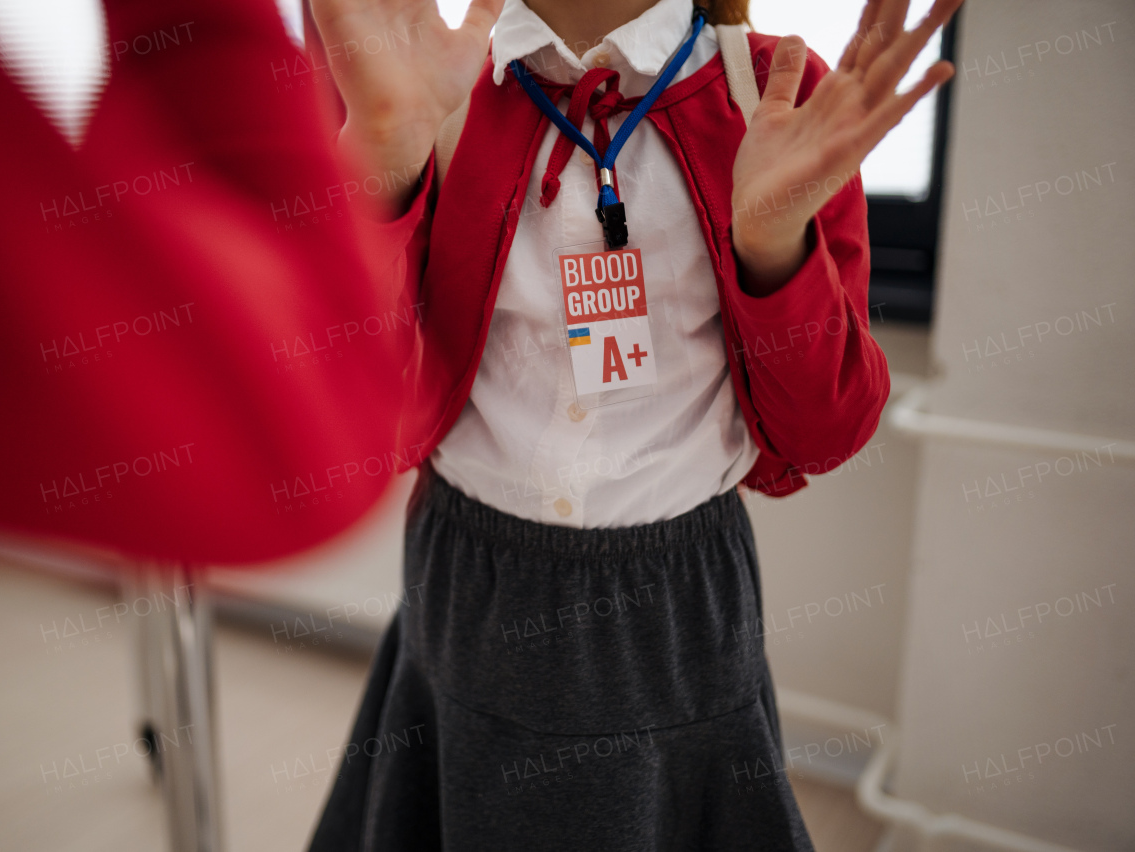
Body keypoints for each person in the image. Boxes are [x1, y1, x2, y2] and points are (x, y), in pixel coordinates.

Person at [307, 0, 960, 847]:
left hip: (679, 603)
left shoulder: (773, 96)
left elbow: (825, 431)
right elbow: (348, 404)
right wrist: (382, 166)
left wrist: (772, 247)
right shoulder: (427, 84)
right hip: (466, 582)